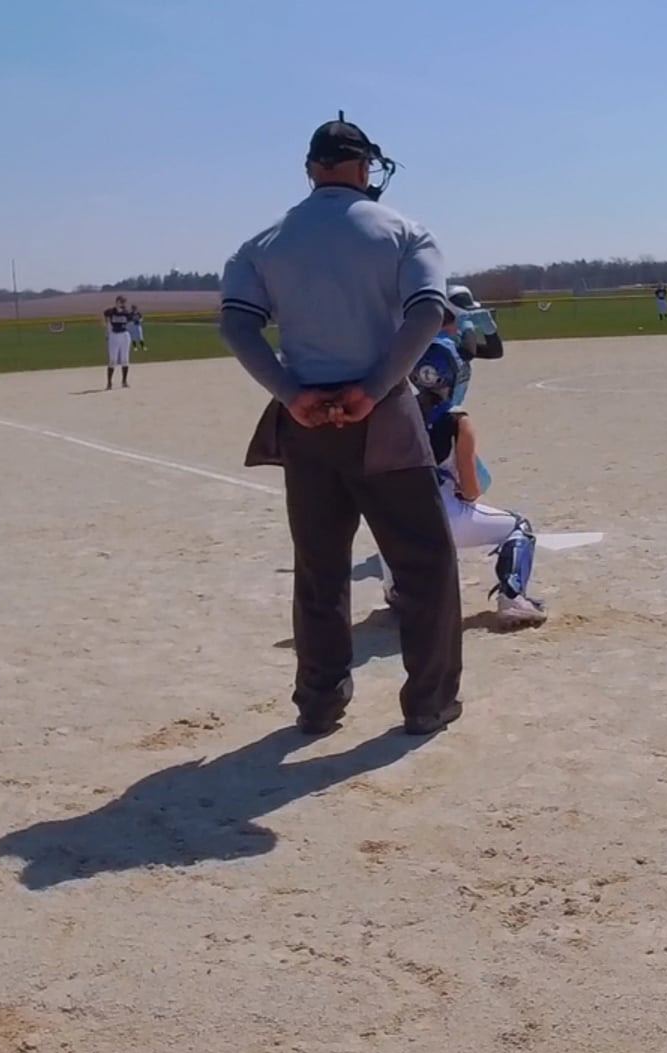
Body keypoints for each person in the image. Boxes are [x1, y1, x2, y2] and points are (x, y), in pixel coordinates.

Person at [221, 114, 464, 737]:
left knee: (320, 569)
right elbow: (427, 313)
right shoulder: (406, 231)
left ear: (312, 169)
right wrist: (375, 388)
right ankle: (429, 701)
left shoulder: (262, 244)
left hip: (304, 421)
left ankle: (319, 700)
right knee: (425, 563)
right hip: (384, 417)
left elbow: (237, 325)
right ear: (363, 166)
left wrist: (290, 393)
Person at [379, 307, 547, 628]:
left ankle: (398, 592)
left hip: (396, 523)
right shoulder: (458, 420)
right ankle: (512, 598)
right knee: (519, 526)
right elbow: (471, 492)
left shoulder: (396, 413)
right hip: (443, 518)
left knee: (391, 525)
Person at [447, 285, 504, 359]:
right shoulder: (436, 343)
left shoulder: (457, 341)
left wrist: (490, 331)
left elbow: (495, 353)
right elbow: (468, 353)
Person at [103, 295, 133, 388]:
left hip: (124, 336)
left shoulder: (126, 313)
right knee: (113, 359)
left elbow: (130, 321)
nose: (120, 303)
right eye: (119, 301)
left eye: (122, 302)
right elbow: (106, 318)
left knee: (125, 359)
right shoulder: (110, 311)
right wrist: (107, 331)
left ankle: (124, 381)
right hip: (114, 335)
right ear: (116, 302)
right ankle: (109, 383)